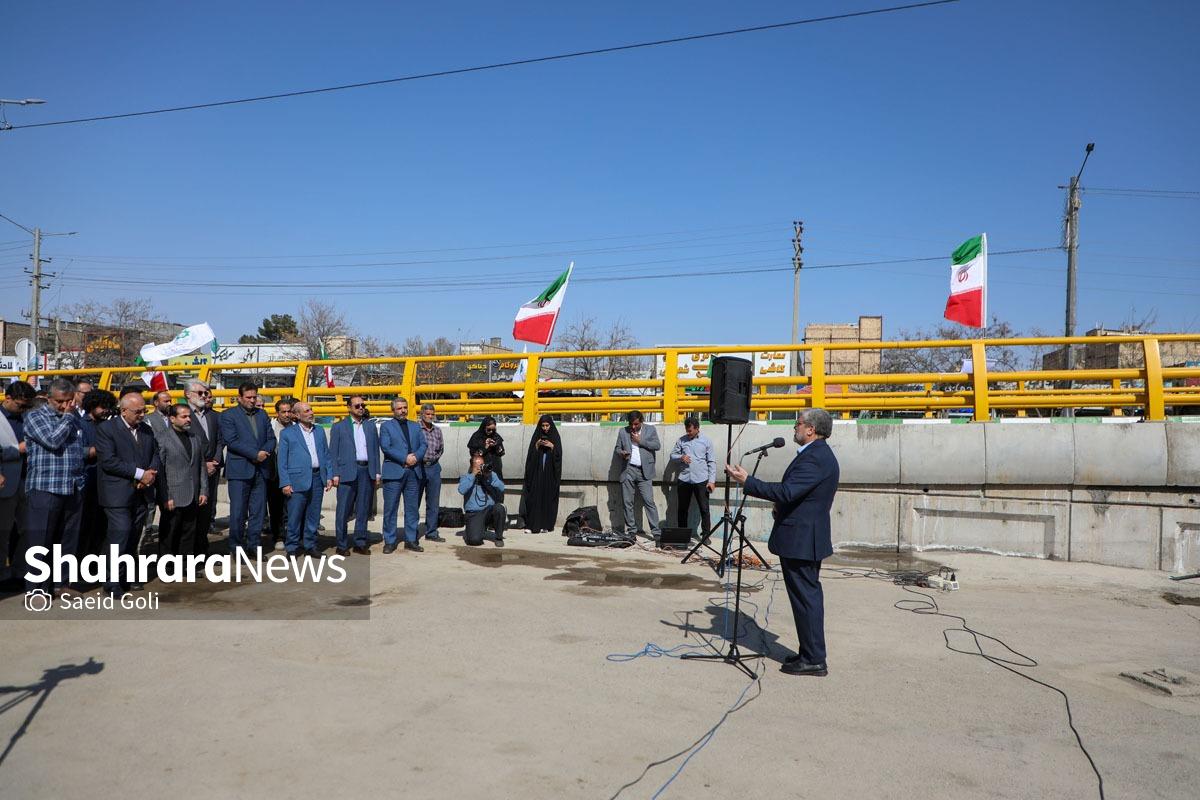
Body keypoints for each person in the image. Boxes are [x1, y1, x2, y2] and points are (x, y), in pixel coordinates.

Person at [726, 408, 840, 677]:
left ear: (811, 429)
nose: (794, 428)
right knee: (803, 599)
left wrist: (748, 481)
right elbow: (800, 495)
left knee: (806, 599)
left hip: (802, 540)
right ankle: (808, 652)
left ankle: (814, 659)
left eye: (798, 423)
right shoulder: (815, 454)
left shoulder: (816, 457)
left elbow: (788, 491)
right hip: (801, 537)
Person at [22, 378, 87, 593]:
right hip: (46, 487)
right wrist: (68, 417)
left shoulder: (74, 418)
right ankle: (37, 588)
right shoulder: (35, 417)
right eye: (60, 401)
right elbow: (52, 441)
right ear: (49, 398)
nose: (64, 405)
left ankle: (62, 583)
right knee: (40, 541)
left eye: (68, 401)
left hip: (73, 486)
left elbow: (77, 449)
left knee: (68, 539)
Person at [95, 391, 161, 597]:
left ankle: (126, 576)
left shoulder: (146, 430)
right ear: (124, 411)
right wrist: (139, 474)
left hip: (141, 493)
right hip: (117, 493)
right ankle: (111, 581)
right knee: (120, 534)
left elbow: (155, 454)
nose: (142, 415)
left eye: (144, 410)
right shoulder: (107, 429)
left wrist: (149, 474)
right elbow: (109, 461)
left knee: (133, 536)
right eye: (137, 411)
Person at [219, 382, 276, 553]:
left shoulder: (262, 414)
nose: (252, 400)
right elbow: (231, 441)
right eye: (248, 397)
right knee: (238, 512)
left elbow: (271, 438)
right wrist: (255, 454)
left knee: (258, 511)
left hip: (261, 470)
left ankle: (254, 546)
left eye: (254, 397)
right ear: (239, 398)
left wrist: (264, 452)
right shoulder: (228, 415)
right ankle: (236, 547)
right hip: (239, 470)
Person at [277, 401, 333, 558]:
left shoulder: (319, 431)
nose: (311, 413)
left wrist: (328, 475)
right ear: (297, 415)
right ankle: (292, 547)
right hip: (297, 480)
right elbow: (282, 461)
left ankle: (310, 545)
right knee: (294, 516)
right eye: (307, 411)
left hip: (317, 478)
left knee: (313, 515)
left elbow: (326, 455)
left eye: (311, 410)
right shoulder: (287, 433)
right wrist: (285, 482)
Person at [329, 394, 381, 555]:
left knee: (363, 509)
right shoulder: (339, 427)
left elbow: (375, 451)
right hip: (346, 472)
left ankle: (360, 542)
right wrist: (335, 473)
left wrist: (377, 471)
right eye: (357, 406)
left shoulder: (370, 426)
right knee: (343, 510)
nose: (361, 408)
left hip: (366, 470)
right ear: (349, 408)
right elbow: (333, 453)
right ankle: (342, 544)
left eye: (362, 405)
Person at [155, 403, 207, 557]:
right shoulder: (162, 438)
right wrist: (165, 496)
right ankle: (167, 565)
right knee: (169, 534)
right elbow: (160, 470)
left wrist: (203, 490)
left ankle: (185, 564)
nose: (188, 419)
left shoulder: (195, 438)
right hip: (173, 496)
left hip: (193, 495)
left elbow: (201, 466)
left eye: (189, 416)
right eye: (184, 417)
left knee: (188, 533)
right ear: (172, 419)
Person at [379, 397, 427, 553]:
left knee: (412, 508)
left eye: (405, 407)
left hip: (413, 472)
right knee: (390, 508)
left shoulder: (415, 426)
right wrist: (404, 458)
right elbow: (386, 447)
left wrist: (416, 457)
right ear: (393, 410)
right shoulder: (386, 426)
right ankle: (390, 541)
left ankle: (411, 539)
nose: (403, 411)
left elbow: (423, 445)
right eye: (399, 408)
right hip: (394, 472)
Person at [0, 380, 34, 577]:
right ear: (8, 398)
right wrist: (16, 450)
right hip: (6, 483)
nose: (24, 410)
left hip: (28, 483)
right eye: (21, 405)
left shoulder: (28, 417)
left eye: (27, 406)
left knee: (30, 530)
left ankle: (19, 571)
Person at [79, 389, 117, 560]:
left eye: (108, 407)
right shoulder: (80, 424)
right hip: (88, 480)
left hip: (105, 482)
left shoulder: (108, 425)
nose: (106, 411)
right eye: (103, 407)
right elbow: (76, 451)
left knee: (101, 526)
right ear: (92, 405)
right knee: (85, 525)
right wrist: (96, 450)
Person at [185, 379, 222, 552]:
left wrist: (215, 461)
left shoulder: (212, 415)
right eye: (200, 393)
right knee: (191, 514)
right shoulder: (183, 415)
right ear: (188, 394)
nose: (204, 396)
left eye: (206, 393)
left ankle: (202, 550)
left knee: (206, 512)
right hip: (192, 471)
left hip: (212, 469)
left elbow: (220, 440)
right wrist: (203, 464)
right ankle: (187, 553)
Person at [614, 410, 661, 541]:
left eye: (636, 424)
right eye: (631, 424)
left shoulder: (650, 430)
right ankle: (631, 531)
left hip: (644, 471)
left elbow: (657, 445)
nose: (633, 427)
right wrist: (621, 453)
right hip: (628, 469)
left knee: (649, 501)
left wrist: (640, 441)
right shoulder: (623, 431)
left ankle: (656, 531)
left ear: (641, 421)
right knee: (627, 502)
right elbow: (617, 448)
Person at [669, 416, 716, 542]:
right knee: (682, 509)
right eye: (686, 430)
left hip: (701, 480)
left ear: (697, 429)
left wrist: (712, 481)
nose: (688, 433)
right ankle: (682, 536)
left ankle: (706, 535)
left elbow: (711, 462)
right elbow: (672, 455)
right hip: (684, 479)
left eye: (690, 430)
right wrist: (681, 457)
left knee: (704, 508)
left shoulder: (706, 441)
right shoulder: (681, 440)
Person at [521, 414, 562, 533]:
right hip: (536, 475)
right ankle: (532, 525)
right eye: (543, 426)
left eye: (547, 425)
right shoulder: (536, 437)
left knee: (547, 498)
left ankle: (546, 525)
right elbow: (530, 457)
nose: (545, 428)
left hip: (549, 476)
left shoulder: (555, 437)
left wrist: (552, 447)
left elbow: (559, 456)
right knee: (534, 497)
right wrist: (537, 446)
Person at [264, 397, 295, 551]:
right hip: (274, 472)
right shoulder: (269, 427)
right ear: (277, 413)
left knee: (292, 507)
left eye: (289, 411)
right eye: (283, 412)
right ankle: (278, 536)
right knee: (276, 506)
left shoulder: (296, 427)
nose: (287, 415)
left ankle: (294, 536)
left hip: (293, 471)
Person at [459, 451, 506, 547]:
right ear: (472, 467)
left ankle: (498, 537)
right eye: (478, 466)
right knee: (474, 540)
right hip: (474, 513)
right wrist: (473, 475)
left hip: (488, 510)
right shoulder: (466, 477)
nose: (481, 468)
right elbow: (461, 490)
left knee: (499, 508)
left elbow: (502, 487)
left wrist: (489, 477)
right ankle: (477, 528)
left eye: (482, 465)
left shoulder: (491, 475)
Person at [416, 403, 445, 543]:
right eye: (427, 414)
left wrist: (433, 459)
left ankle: (431, 532)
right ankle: (412, 532)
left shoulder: (437, 431)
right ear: (422, 414)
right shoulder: (416, 429)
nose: (430, 416)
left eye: (432, 414)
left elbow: (441, 449)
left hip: (433, 467)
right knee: (414, 501)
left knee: (433, 502)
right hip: (418, 467)